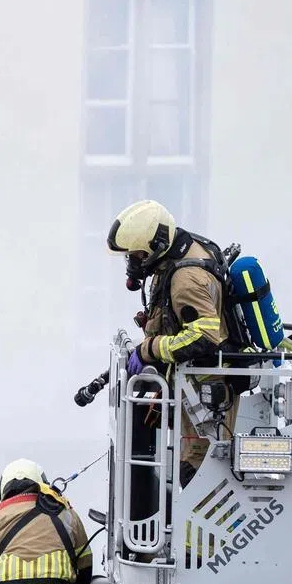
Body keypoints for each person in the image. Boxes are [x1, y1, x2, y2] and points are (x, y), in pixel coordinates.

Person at [106, 199, 239, 487]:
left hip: (206, 396)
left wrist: (149, 350)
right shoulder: (176, 255)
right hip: (194, 390)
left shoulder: (185, 279)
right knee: (193, 469)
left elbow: (203, 337)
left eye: (136, 255)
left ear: (155, 246)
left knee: (198, 474)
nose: (133, 263)